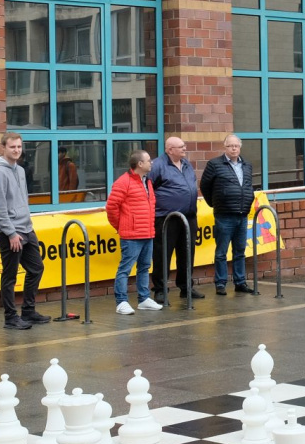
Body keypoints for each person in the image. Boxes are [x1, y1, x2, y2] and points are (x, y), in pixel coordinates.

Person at [0, 133, 49, 331]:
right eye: (12, 147)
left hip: (26, 228)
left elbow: (22, 201)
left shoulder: (21, 170)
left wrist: (27, 226)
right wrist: (11, 233)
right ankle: (10, 317)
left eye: (19, 147)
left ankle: (28, 311)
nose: (16, 150)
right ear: (3, 148)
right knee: (10, 276)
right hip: (9, 232)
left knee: (36, 268)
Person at [200, 134, 258, 296]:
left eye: (236, 146)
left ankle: (240, 282)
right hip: (224, 215)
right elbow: (204, 186)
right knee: (221, 252)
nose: (234, 148)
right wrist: (215, 203)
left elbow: (248, 185)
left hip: (242, 214)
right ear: (225, 147)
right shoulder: (214, 164)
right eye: (230, 146)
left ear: (240, 147)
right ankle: (220, 283)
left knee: (240, 251)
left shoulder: (247, 165)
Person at [149, 136, 204, 304]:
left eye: (184, 145)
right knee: (162, 254)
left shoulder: (186, 164)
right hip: (166, 218)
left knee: (187, 252)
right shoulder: (157, 165)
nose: (184, 148)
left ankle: (186, 287)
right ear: (169, 150)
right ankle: (160, 290)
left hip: (189, 216)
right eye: (180, 146)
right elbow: (147, 189)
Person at [107, 148, 159, 315]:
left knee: (144, 267)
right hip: (131, 235)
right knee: (125, 269)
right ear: (140, 164)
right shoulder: (123, 182)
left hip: (147, 233)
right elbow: (111, 207)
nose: (151, 163)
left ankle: (144, 298)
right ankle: (121, 301)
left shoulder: (147, 181)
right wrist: (122, 226)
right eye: (148, 160)